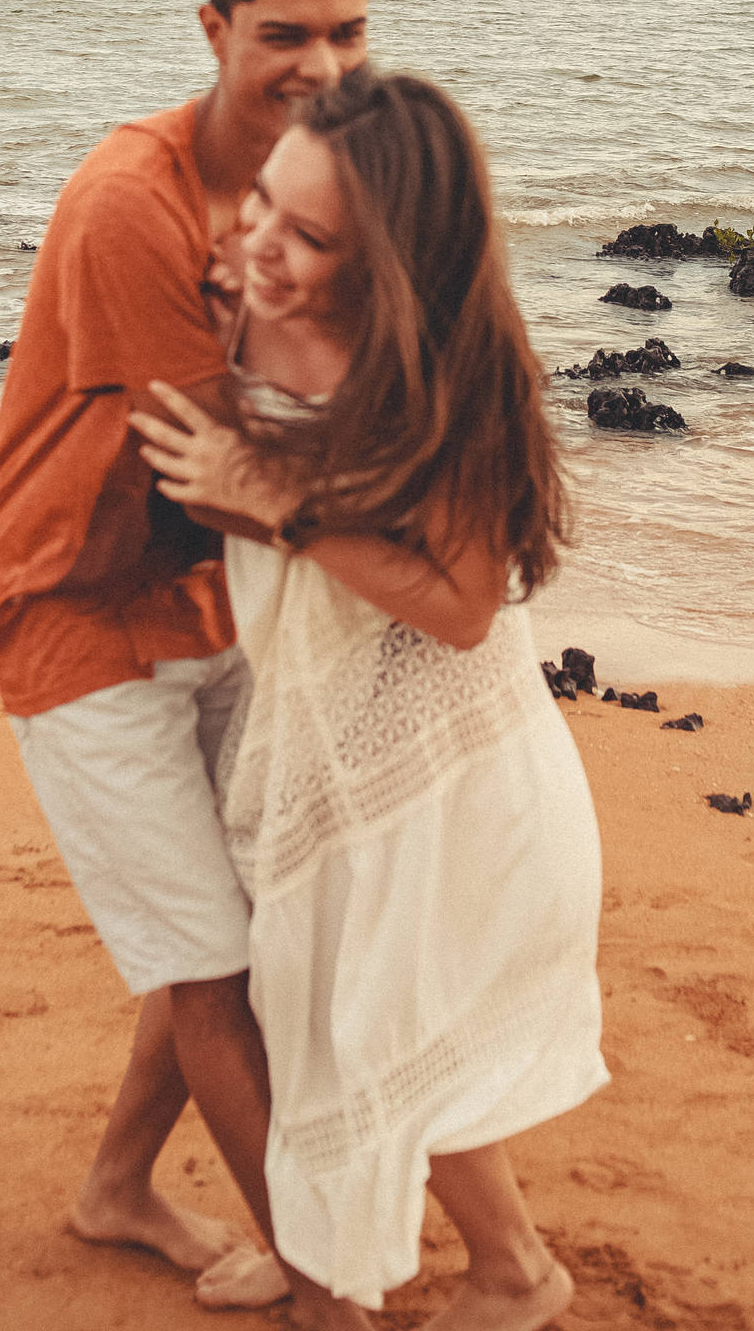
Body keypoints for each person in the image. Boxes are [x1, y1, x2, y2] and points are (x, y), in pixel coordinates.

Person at [131, 69, 608, 1329]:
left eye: (306, 236)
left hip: (435, 777)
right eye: (261, 204)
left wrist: (278, 509)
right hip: (317, 745)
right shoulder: (246, 296)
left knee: (379, 1036)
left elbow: (456, 607)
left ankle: (490, 1270)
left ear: (389, 260)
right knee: (314, 1010)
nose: (260, 242)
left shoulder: (445, 380)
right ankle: (438, 1262)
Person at [0, 0, 376, 1327]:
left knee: (238, 930)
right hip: (76, 605)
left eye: (348, 33)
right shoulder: (124, 205)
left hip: (218, 603)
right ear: (214, 26)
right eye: (285, 34)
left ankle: (117, 1190)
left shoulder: (334, 179)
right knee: (211, 967)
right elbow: (224, 471)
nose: (321, 68)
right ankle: (329, 1287)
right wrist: (432, 556)